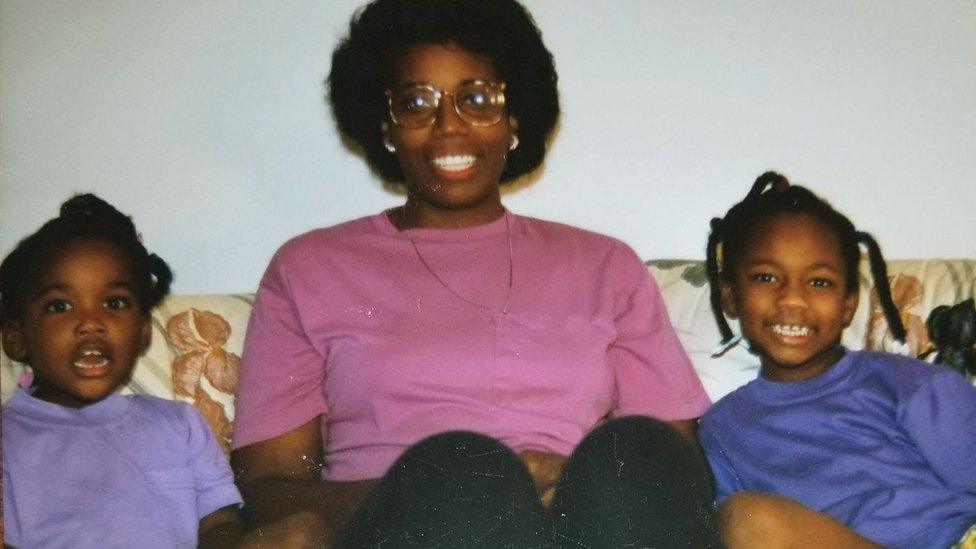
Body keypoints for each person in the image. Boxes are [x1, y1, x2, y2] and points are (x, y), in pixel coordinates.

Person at [231, 0, 717, 546]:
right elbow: (270, 484)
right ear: (386, 125)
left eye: (478, 99)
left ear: (515, 120)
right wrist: (466, 485)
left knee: (638, 448)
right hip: (409, 525)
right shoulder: (309, 268)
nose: (448, 126)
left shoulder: (606, 266)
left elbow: (673, 469)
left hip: (580, 528)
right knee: (464, 469)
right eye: (415, 102)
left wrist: (567, 481)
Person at [698, 172, 976, 548]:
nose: (792, 299)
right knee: (745, 519)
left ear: (849, 305)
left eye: (819, 282)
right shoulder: (721, 428)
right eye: (766, 277)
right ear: (730, 296)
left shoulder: (910, 384)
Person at [0, 194, 244, 548]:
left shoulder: (180, 426)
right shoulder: (8, 439)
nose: (91, 323)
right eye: (60, 306)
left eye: (114, 303)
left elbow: (220, 521)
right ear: (17, 337)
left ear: (143, 331)